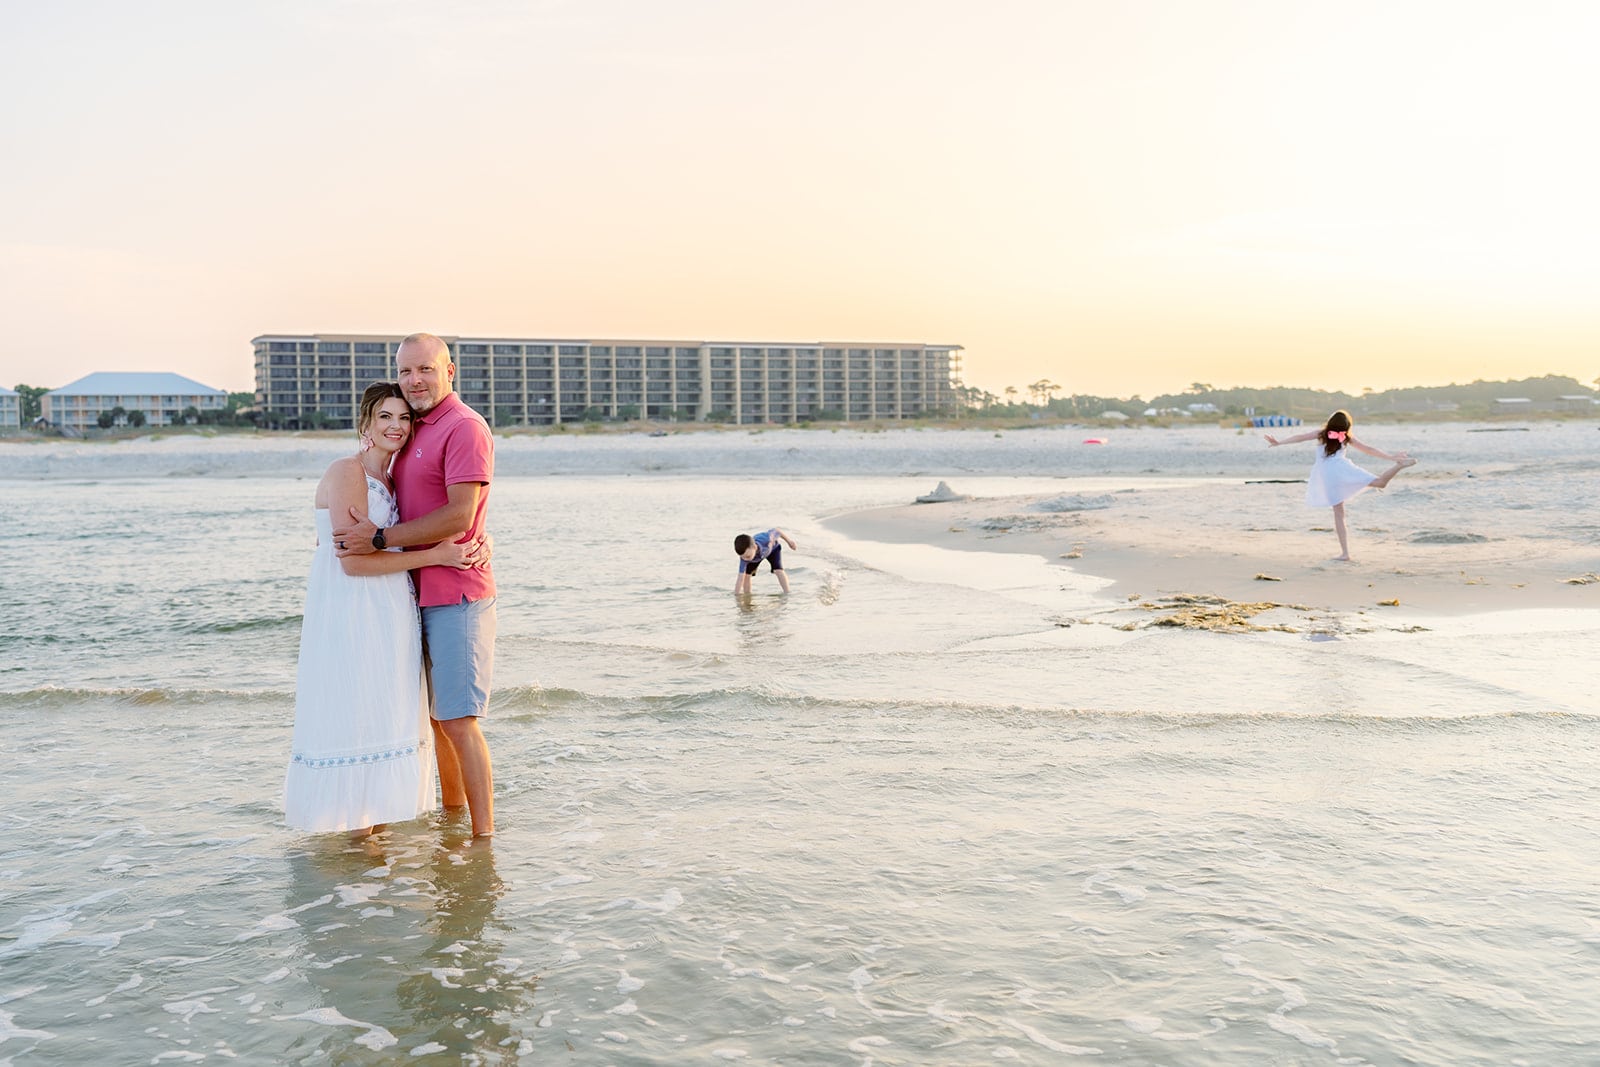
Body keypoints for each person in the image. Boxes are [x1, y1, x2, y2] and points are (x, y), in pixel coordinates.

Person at [284, 383, 483, 836]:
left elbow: (432, 522)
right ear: (366, 425)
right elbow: (353, 563)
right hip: (354, 610)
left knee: (383, 711)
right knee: (357, 709)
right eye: (385, 417)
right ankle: (358, 841)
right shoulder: (347, 471)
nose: (396, 426)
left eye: (404, 418)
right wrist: (435, 557)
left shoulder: (392, 480)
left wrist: (478, 541)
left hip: (389, 609)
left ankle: (372, 835)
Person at [332, 334, 499, 838]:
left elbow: (460, 512)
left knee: (459, 719)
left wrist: (379, 538)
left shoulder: (464, 426)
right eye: (405, 372)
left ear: (451, 370)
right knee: (434, 720)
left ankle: (484, 839)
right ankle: (451, 821)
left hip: (457, 592)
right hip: (410, 595)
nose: (414, 381)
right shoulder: (414, 427)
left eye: (425, 368)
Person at [1265, 409, 1417, 561]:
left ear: (1330, 422)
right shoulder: (1347, 437)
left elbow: (1300, 437)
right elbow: (1369, 450)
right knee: (1380, 483)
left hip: (1328, 474)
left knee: (1339, 513)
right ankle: (1399, 465)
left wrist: (1279, 442)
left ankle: (1345, 553)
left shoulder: (1322, 433)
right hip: (1343, 468)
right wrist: (1391, 457)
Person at [734, 527, 798, 594]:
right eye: (742, 557)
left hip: (773, 550)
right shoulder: (744, 558)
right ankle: (747, 596)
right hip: (756, 558)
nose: (745, 559)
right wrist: (736, 595)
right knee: (747, 575)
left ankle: (787, 592)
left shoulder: (766, 539)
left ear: (754, 547)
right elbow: (740, 578)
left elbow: (777, 531)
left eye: (747, 556)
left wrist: (789, 541)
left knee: (778, 570)